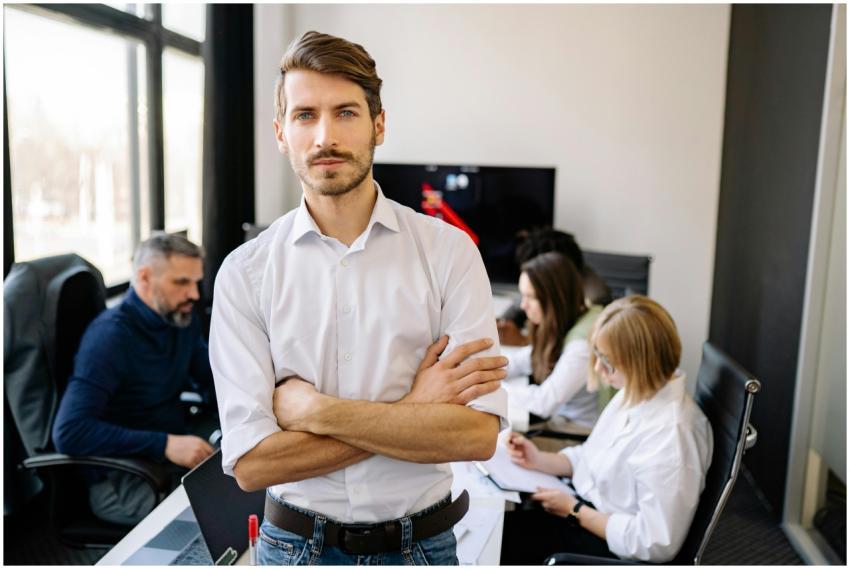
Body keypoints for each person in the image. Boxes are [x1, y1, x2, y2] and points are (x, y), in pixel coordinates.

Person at [209, 31, 508, 566]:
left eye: (345, 112)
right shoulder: (245, 274)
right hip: (292, 548)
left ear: (379, 124)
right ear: (281, 133)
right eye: (305, 115)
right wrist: (417, 410)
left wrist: (315, 410)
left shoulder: (449, 252)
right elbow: (253, 466)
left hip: (421, 547)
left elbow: (474, 434)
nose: (325, 135)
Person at [500, 295, 713, 564]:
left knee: (500, 544)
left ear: (639, 363)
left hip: (606, 547)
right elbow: (591, 457)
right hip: (581, 511)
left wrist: (575, 510)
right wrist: (539, 459)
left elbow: (655, 543)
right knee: (499, 525)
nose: (599, 369)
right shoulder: (635, 392)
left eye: (607, 361)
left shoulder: (673, 436)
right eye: (597, 356)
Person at [52, 233, 218, 525]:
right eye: (182, 282)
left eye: (196, 282)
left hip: (170, 456)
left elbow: (210, 381)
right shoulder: (110, 337)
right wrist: (165, 444)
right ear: (145, 277)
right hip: (123, 475)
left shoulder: (179, 319)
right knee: (212, 522)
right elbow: (69, 432)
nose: (194, 294)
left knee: (248, 490)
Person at [503, 251, 603, 427]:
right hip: (560, 423)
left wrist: (494, 389)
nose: (523, 305)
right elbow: (523, 360)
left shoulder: (581, 347)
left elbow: (543, 403)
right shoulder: (571, 320)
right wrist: (485, 373)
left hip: (573, 432)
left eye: (530, 297)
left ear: (555, 298)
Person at [498, 227, 611, 347]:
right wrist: (504, 322)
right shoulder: (570, 276)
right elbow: (519, 306)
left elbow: (565, 346)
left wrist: (524, 340)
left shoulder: (595, 302)